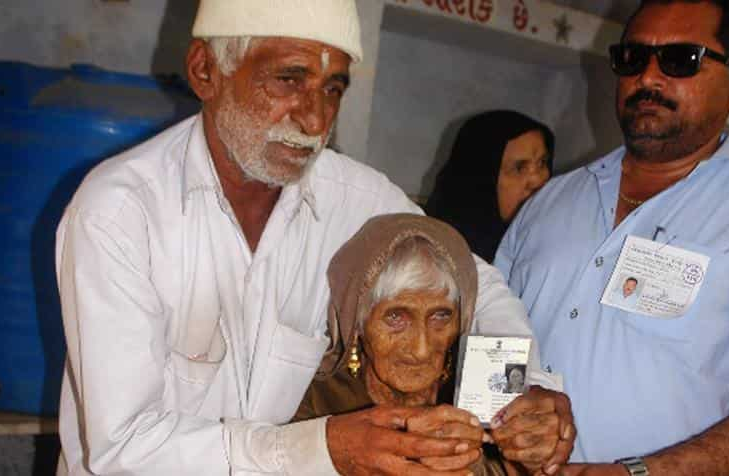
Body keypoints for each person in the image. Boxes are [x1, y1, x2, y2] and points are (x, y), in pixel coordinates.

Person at [54, 2, 574, 475]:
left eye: (333, 89)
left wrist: (530, 390)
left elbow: (473, 282)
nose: (315, 118)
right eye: (288, 80)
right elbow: (122, 447)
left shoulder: (350, 197)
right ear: (206, 71)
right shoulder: (121, 213)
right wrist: (322, 447)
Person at [495, 1, 729, 474]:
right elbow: (494, 340)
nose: (648, 78)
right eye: (632, 58)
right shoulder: (549, 202)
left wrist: (636, 473)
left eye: (680, 60)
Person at [295, 213, 546, 475]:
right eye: (395, 317)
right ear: (356, 321)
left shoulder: (487, 393)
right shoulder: (314, 403)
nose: (421, 349)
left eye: (441, 316)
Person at [426, 110, 555, 263]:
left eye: (542, 163)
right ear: (481, 181)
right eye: (519, 168)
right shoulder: (438, 257)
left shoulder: (553, 241)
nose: (538, 180)